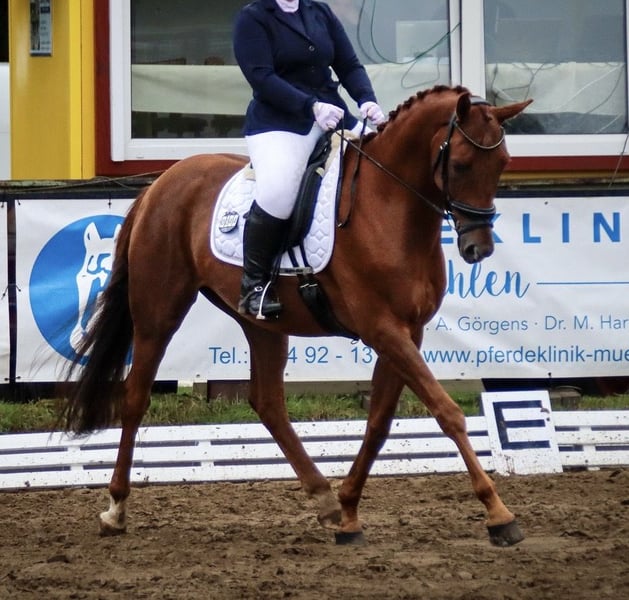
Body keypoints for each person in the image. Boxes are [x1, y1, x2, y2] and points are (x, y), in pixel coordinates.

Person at [233, 0, 386, 319]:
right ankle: (254, 285)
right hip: (280, 122)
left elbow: (348, 64)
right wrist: (310, 106)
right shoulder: (253, 18)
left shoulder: (319, 12)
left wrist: (366, 99)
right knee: (278, 193)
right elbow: (262, 78)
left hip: (334, 115)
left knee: (380, 168)